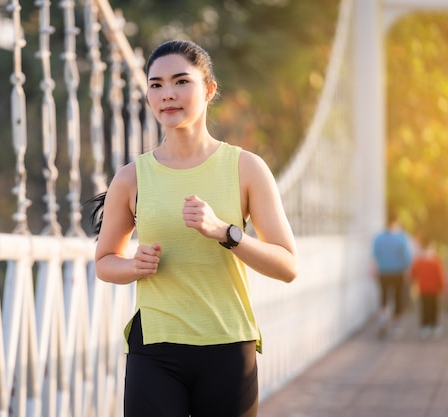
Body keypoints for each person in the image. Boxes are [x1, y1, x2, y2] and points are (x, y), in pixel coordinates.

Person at [93, 40, 298, 417]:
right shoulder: (131, 177)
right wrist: (133, 266)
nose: (167, 94)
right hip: (155, 349)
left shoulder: (246, 168)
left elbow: (287, 266)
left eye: (180, 82)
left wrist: (227, 233)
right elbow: (105, 261)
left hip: (227, 344)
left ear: (208, 89)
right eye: (155, 85)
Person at [372, 214, 412, 339]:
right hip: (398, 272)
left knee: (384, 296)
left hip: (383, 271)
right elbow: (406, 256)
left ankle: (383, 320)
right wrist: (406, 268)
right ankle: (396, 325)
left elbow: (375, 254)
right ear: (396, 223)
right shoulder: (401, 238)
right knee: (397, 297)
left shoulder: (379, 238)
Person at [410, 236, 446, 339]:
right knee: (433, 307)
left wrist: (414, 283)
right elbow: (440, 275)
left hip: (423, 288)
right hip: (433, 288)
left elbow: (413, 274)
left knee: (425, 307)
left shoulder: (419, 260)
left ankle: (425, 326)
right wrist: (442, 287)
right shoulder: (435, 260)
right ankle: (433, 325)